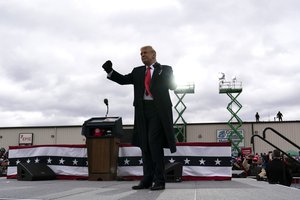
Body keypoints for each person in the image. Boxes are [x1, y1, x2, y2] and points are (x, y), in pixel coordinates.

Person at [101, 45, 177, 190]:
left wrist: (162, 73)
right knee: (145, 145)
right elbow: (123, 80)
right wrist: (109, 70)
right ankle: (147, 179)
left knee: (154, 143)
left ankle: (159, 180)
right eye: (141, 54)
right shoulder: (138, 71)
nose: (142, 55)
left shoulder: (165, 69)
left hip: (158, 111)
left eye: (145, 53)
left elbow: (172, 86)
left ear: (154, 54)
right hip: (142, 112)